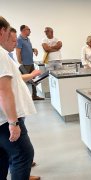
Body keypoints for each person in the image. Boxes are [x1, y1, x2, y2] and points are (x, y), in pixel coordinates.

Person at [0, 16, 38, 180]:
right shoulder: (1, 55)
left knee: (2, 157)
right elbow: (4, 91)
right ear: (2, 31)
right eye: (9, 33)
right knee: (23, 155)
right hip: (4, 120)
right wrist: (13, 122)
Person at [16, 25, 44, 100]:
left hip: (31, 63)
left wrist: (33, 49)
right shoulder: (19, 39)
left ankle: (34, 95)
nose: (30, 31)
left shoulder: (27, 39)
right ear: (23, 30)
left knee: (34, 80)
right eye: (28, 29)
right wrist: (20, 61)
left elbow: (26, 49)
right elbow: (18, 51)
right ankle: (23, 98)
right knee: (24, 81)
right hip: (25, 64)